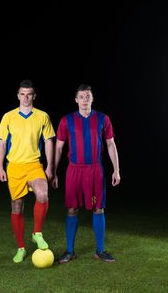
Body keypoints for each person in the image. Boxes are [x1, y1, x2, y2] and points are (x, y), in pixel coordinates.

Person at [52, 84, 120, 263]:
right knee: (72, 209)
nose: (84, 100)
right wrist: (53, 171)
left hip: (95, 170)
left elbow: (111, 144)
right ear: (76, 100)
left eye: (87, 96)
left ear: (92, 98)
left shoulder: (102, 119)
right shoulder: (67, 120)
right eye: (81, 97)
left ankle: (100, 250)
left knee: (98, 208)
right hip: (74, 170)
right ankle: (69, 251)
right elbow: (58, 148)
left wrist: (117, 170)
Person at [0, 79, 55, 263]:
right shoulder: (8, 116)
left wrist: (50, 167)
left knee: (43, 194)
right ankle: (21, 247)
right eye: (22, 94)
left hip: (34, 164)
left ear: (34, 96)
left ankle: (37, 233)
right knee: (17, 206)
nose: (26, 97)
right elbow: (2, 142)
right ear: (18, 96)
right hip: (14, 166)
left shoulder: (43, 116)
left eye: (29, 94)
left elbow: (49, 141)